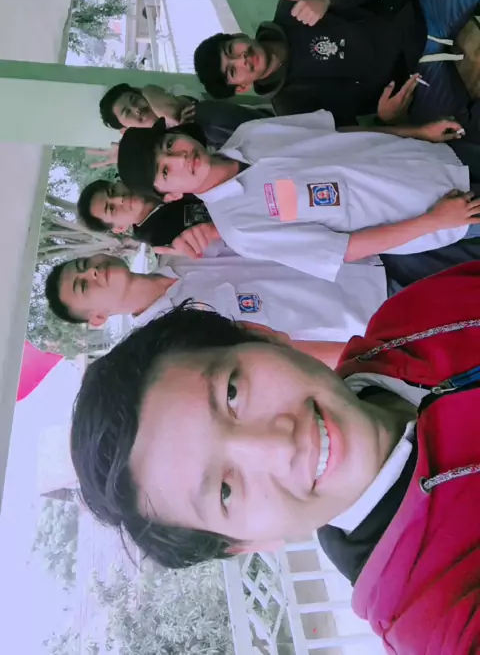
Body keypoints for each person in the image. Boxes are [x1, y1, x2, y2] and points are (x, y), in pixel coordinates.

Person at [70, 262, 480, 653]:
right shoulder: (441, 620)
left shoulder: (409, 317)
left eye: (231, 393)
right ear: (245, 543)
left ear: (261, 335)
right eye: (225, 491)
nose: (279, 446)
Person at [116, 113, 480, 285]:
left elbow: (339, 133)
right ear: (172, 194)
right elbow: (346, 249)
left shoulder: (251, 132)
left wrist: (417, 130)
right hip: (444, 207)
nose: (181, 158)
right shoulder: (242, 228)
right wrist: (434, 221)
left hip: (431, 156)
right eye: (166, 170)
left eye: (170, 145)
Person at [194, 0, 480, 133]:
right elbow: (354, 136)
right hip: (415, 82)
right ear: (242, 87)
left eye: (232, 49)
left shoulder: (290, 8)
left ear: (237, 35)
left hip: (418, 12)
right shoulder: (292, 107)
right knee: (463, 134)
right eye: (233, 71)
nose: (242, 58)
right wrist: (386, 118)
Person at [44, 250, 387, 346]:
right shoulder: (176, 336)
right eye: (83, 286)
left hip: (368, 261)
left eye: (84, 265)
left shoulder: (182, 252)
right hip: (370, 321)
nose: (92, 272)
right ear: (98, 318)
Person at [99, 82, 271, 150]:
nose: (136, 109)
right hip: (238, 162)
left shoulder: (174, 92)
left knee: (200, 116)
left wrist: (147, 90)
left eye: (135, 99)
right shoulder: (156, 150)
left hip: (259, 124)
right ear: (125, 130)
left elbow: (173, 110)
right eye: (127, 112)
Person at [77, 178, 218, 259]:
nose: (120, 198)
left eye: (113, 191)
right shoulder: (164, 241)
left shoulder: (159, 176)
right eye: (112, 208)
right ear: (119, 228)